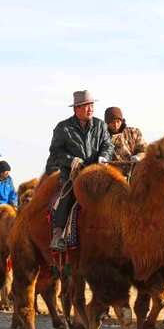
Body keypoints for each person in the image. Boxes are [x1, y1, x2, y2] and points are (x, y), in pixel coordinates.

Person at [46, 90, 113, 251]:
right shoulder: (63, 128)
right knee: (68, 194)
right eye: (85, 106)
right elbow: (55, 152)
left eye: (91, 105)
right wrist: (71, 160)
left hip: (97, 173)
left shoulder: (101, 125)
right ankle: (58, 234)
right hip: (72, 174)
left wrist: (104, 157)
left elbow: (108, 145)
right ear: (76, 109)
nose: (90, 109)